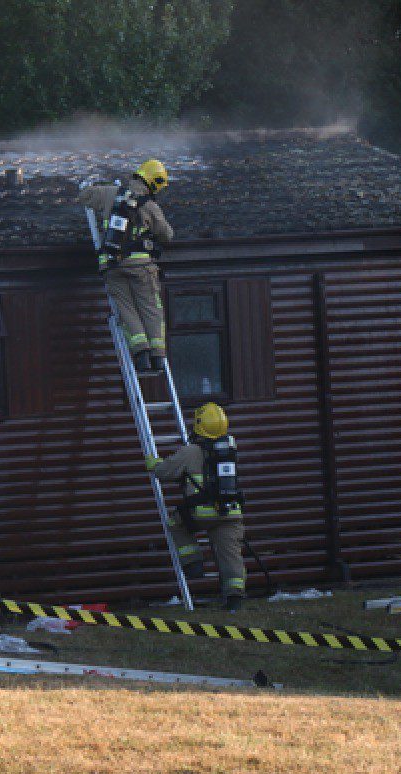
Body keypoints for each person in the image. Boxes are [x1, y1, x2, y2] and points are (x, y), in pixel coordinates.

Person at [146, 402, 246, 612]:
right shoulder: (230, 448)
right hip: (231, 512)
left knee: (176, 522)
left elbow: (164, 471)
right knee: (231, 555)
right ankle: (234, 599)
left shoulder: (191, 451)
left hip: (202, 513)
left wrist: (153, 463)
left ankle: (193, 563)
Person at [78, 159, 174, 375]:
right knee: (150, 309)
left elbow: (84, 196)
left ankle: (141, 356)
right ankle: (158, 358)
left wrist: (97, 187)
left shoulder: (109, 193)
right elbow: (167, 235)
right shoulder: (150, 206)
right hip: (142, 267)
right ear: (154, 182)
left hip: (112, 265)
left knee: (126, 309)